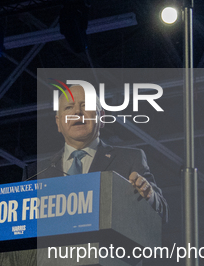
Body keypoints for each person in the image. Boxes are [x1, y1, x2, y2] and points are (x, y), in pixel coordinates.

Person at [30, 85, 168, 222]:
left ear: (101, 117)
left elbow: (163, 212)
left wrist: (149, 196)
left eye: (85, 105)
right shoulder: (37, 172)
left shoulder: (130, 159)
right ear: (58, 123)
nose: (77, 111)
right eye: (68, 107)